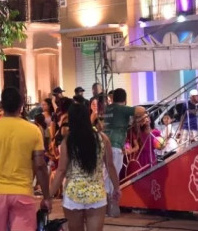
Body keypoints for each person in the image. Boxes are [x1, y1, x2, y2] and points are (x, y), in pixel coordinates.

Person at [0, 87, 52, 231]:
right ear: (21, 105)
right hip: (23, 192)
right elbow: (40, 165)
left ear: (1, 105)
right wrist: (47, 197)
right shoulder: (33, 130)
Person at [51, 102, 119, 231]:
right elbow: (110, 165)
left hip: (73, 194)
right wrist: (117, 187)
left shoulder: (68, 141)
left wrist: (49, 196)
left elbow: (61, 170)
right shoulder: (102, 139)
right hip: (96, 195)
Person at [101, 89, 133, 189]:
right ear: (125, 99)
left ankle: (107, 196)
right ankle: (108, 197)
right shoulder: (122, 109)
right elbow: (140, 110)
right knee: (110, 178)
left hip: (104, 145)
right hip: (114, 148)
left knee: (106, 175)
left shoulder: (107, 109)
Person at [122, 107, 158, 179]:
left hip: (148, 158)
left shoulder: (152, 131)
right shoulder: (132, 130)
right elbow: (135, 146)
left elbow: (137, 146)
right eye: (144, 117)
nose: (146, 119)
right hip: (136, 159)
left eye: (147, 117)